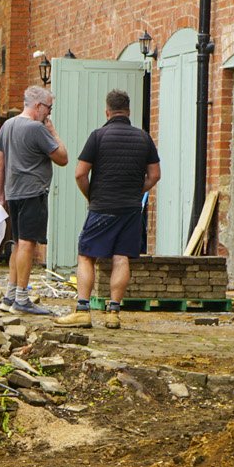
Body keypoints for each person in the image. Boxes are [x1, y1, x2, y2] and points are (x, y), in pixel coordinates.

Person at [72, 88, 160, 313]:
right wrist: (135, 191)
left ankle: (82, 309)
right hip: (130, 209)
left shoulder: (98, 136)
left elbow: (80, 173)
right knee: (121, 258)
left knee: (86, 255)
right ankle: (114, 311)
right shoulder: (143, 137)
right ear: (128, 111)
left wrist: (91, 195)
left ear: (107, 112)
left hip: (102, 206)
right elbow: (155, 175)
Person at [0, 84, 66, 314]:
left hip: (13, 192)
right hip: (33, 191)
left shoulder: (7, 126)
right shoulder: (37, 129)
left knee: (17, 242)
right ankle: (22, 299)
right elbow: (63, 158)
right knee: (27, 243)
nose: (49, 113)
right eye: (49, 108)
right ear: (37, 106)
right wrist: (53, 131)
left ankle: (10, 295)